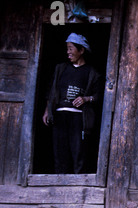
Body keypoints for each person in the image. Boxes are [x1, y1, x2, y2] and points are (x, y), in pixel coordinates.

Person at [42, 33, 101, 174]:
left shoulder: (91, 73)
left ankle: (77, 182)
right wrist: (46, 111)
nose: (68, 52)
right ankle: (60, 181)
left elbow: (99, 96)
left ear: (81, 51)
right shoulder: (61, 69)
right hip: (60, 115)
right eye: (67, 49)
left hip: (78, 117)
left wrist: (86, 99)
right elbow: (51, 90)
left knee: (78, 150)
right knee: (60, 150)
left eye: (71, 48)